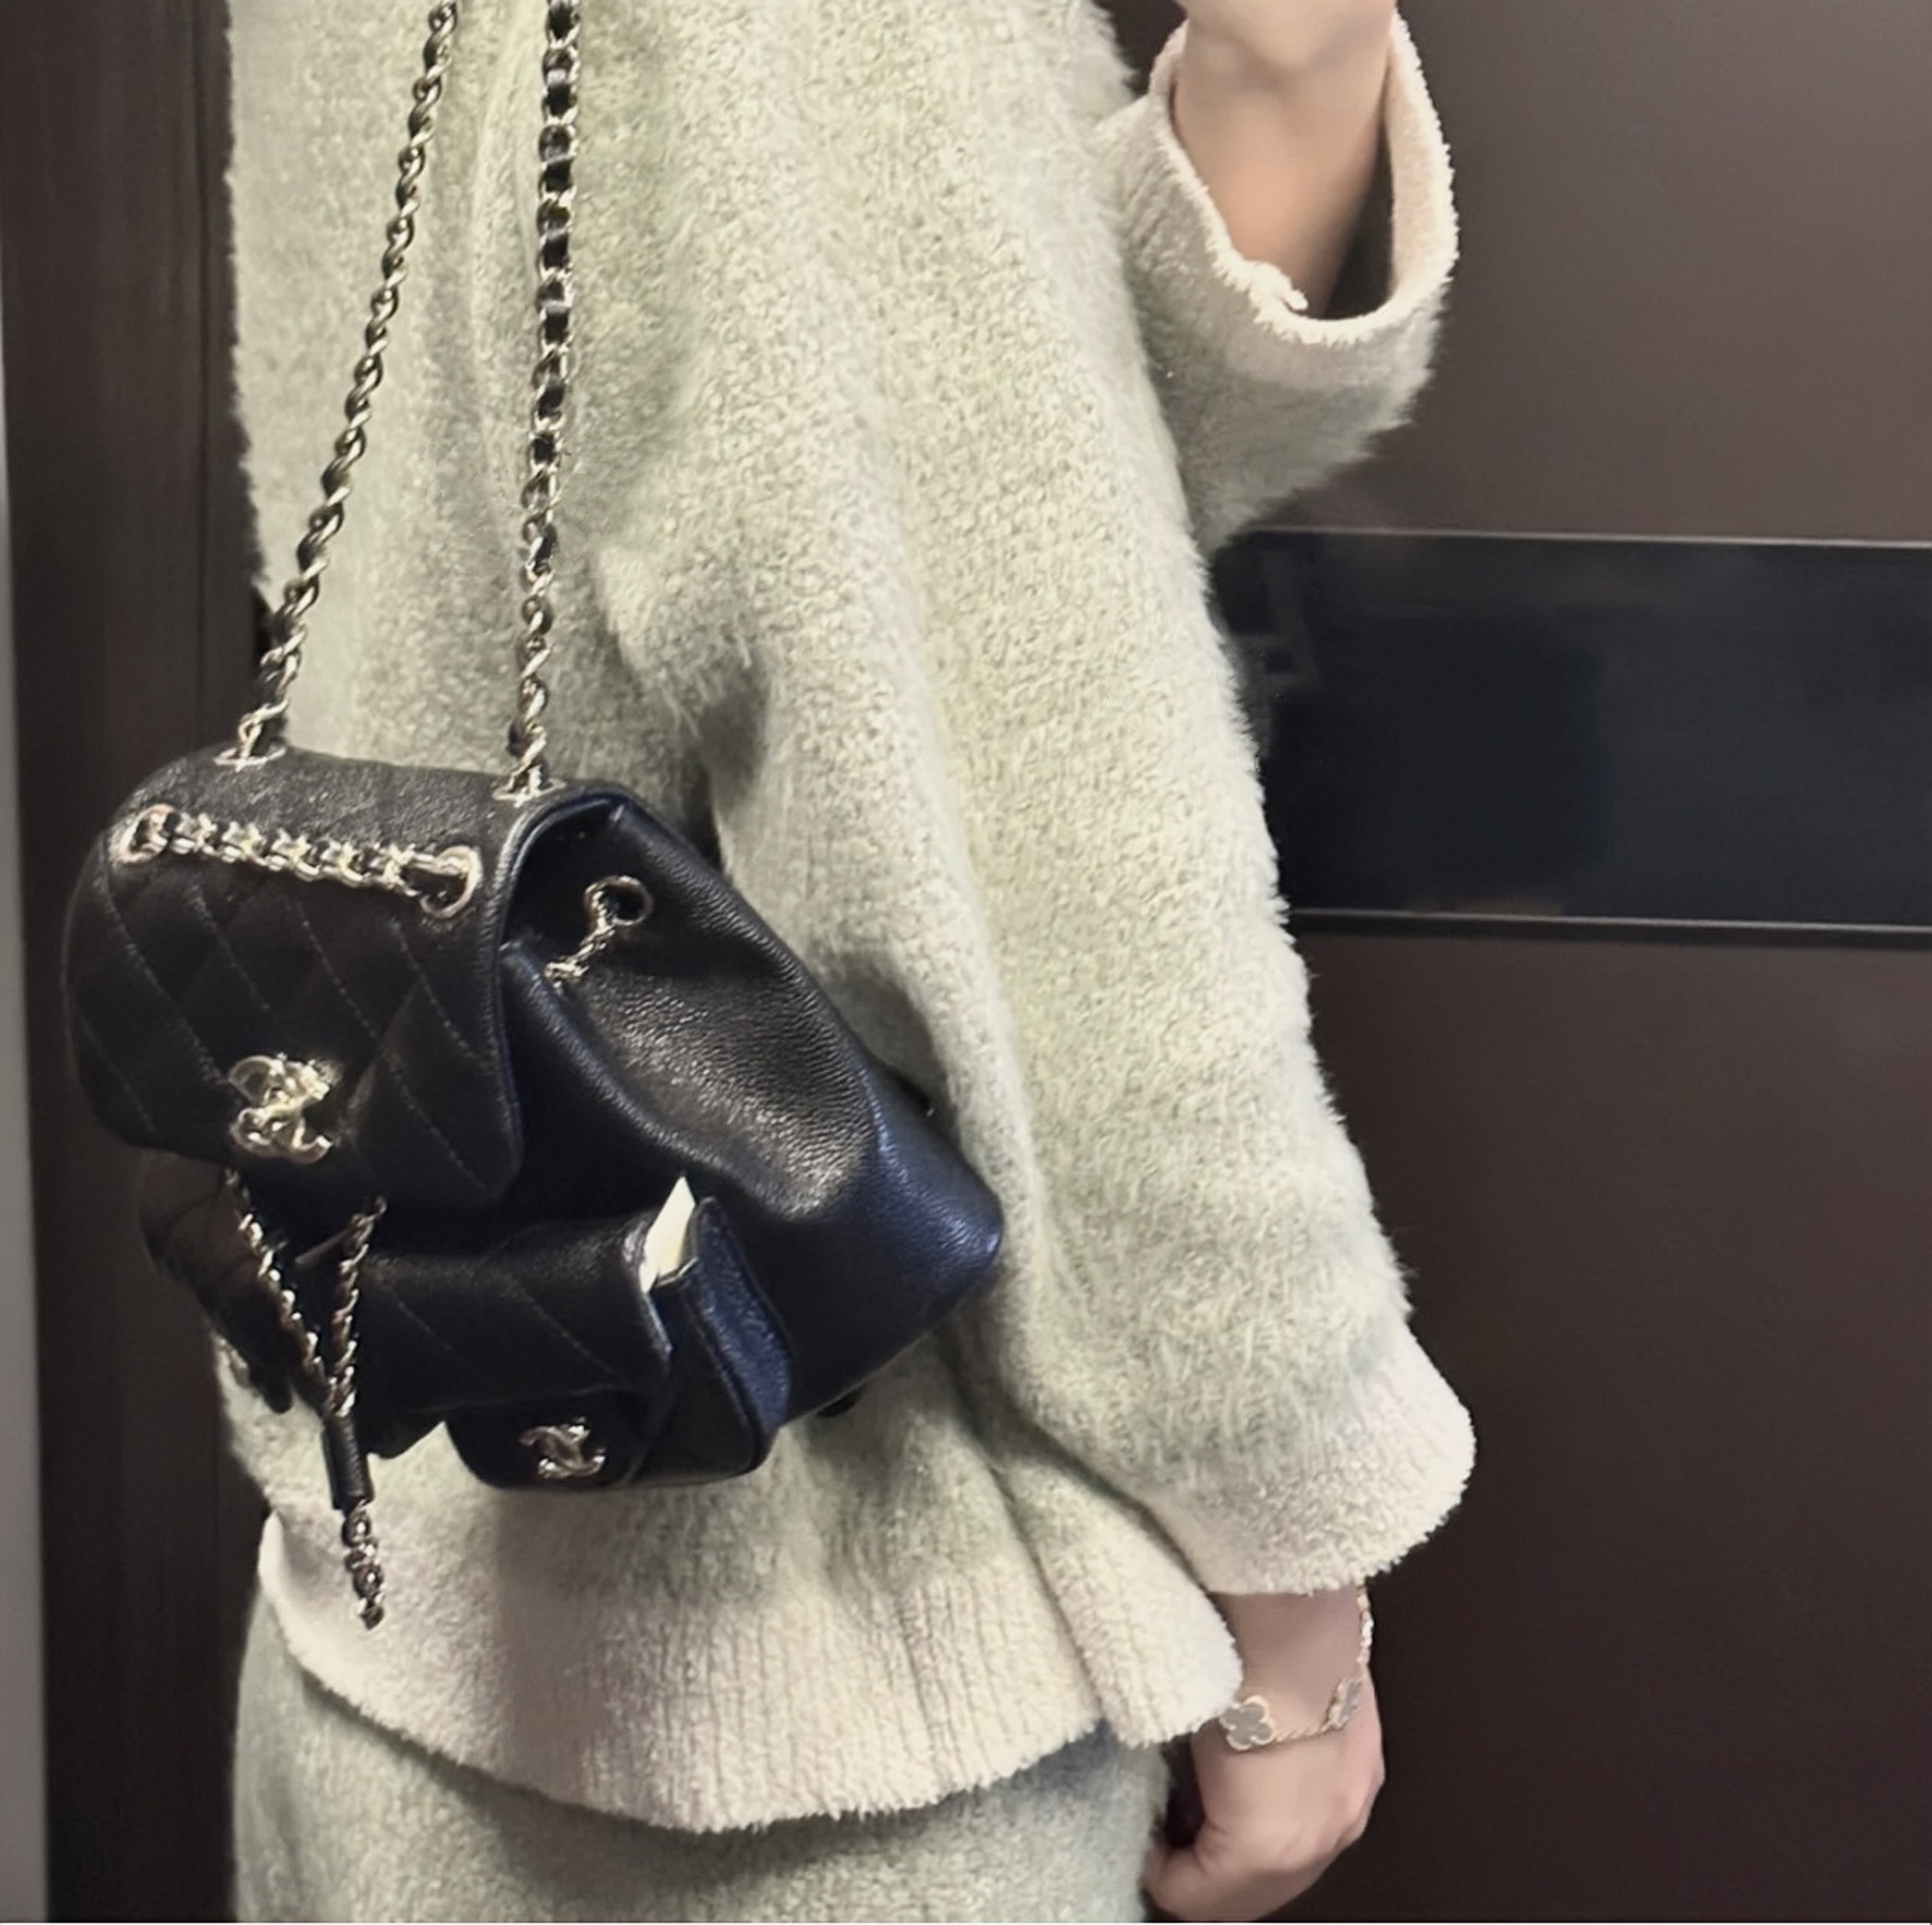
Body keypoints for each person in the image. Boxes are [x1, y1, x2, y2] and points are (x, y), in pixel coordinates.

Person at [220, 0, 1473, 1918]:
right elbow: (1040, 843)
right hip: (824, 1714)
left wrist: (1286, 67)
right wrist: (1289, 1570)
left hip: (414, 1559)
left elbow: (907, 452)